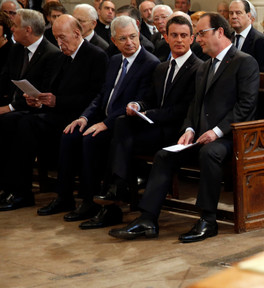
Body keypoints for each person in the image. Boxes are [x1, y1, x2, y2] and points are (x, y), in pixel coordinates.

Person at [109, 13, 259, 242]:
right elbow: (194, 106)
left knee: (210, 153)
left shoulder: (244, 61)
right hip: (202, 135)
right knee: (164, 155)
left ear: (219, 32)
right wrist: (189, 129)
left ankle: (208, 220)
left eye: (201, 33)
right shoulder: (206, 66)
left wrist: (217, 131)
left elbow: (246, 106)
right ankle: (148, 219)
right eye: (197, 34)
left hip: (233, 136)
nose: (197, 39)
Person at [50, 15, 159, 228]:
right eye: (123, 39)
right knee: (71, 133)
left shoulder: (150, 63)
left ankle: (97, 202)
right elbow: (101, 95)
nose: (129, 42)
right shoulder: (115, 60)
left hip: (127, 124)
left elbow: (139, 102)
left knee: (91, 139)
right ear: (113, 41)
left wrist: (106, 123)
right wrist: (84, 117)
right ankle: (69, 197)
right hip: (106, 118)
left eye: (133, 37)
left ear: (139, 34)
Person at [94, 15, 203, 214]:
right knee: (121, 123)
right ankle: (117, 186)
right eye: (174, 35)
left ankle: (117, 188)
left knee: (119, 138)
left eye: (184, 35)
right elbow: (150, 98)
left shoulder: (198, 68)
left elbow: (183, 110)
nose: (179, 40)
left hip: (176, 131)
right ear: (166, 38)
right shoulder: (162, 67)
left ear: (192, 39)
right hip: (155, 125)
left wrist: (149, 113)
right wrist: (137, 105)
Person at [2, 15, 107, 214]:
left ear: (77, 34)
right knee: (12, 121)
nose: (59, 43)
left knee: (27, 125)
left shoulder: (96, 56)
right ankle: (12, 187)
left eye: (62, 38)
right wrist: (39, 100)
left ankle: (36, 193)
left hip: (80, 116)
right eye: (56, 38)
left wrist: (56, 101)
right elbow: (52, 91)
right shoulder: (61, 56)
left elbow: (95, 97)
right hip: (57, 114)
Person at [0, 8, 61, 113]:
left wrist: (9, 108)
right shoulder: (16, 48)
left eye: (15, 25)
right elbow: (4, 79)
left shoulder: (52, 55)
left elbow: (44, 94)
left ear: (28, 30)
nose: (12, 29)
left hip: (31, 111)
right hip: (9, 103)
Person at [229, 0, 264, 72]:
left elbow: (263, 72)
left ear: (249, 16)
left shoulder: (262, 41)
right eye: (231, 13)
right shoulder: (227, 38)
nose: (234, 16)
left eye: (238, 13)